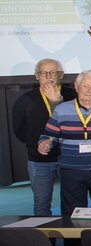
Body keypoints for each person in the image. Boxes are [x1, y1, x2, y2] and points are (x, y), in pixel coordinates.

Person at [40, 71, 91, 217]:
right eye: (85, 86)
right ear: (77, 87)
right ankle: (74, 241)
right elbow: (48, 136)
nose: (90, 91)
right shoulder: (61, 109)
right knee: (72, 215)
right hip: (71, 170)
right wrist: (44, 144)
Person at [14, 59, 72, 216]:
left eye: (53, 72)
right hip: (39, 159)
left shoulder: (73, 95)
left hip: (69, 157)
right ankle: (46, 241)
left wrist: (56, 102)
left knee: (72, 201)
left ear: (61, 74)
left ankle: (72, 241)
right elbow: (19, 129)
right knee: (41, 203)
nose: (48, 77)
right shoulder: (26, 99)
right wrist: (36, 144)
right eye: (43, 73)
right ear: (36, 76)